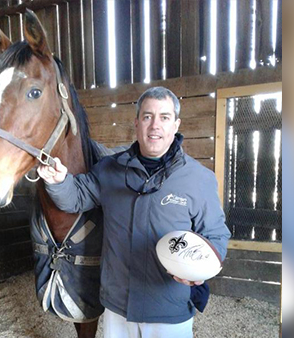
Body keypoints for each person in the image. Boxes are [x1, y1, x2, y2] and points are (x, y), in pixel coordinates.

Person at [37, 86, 231, 338]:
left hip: (168, 310)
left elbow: (216, 235)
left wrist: (199, 272)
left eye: (164, 117)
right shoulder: (109, 170)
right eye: (148, 116)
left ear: (176, 125)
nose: (155, 126)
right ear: (137, 122)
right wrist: (59, 181)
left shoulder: (198, 178)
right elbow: (76, 198)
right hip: (118, 308)